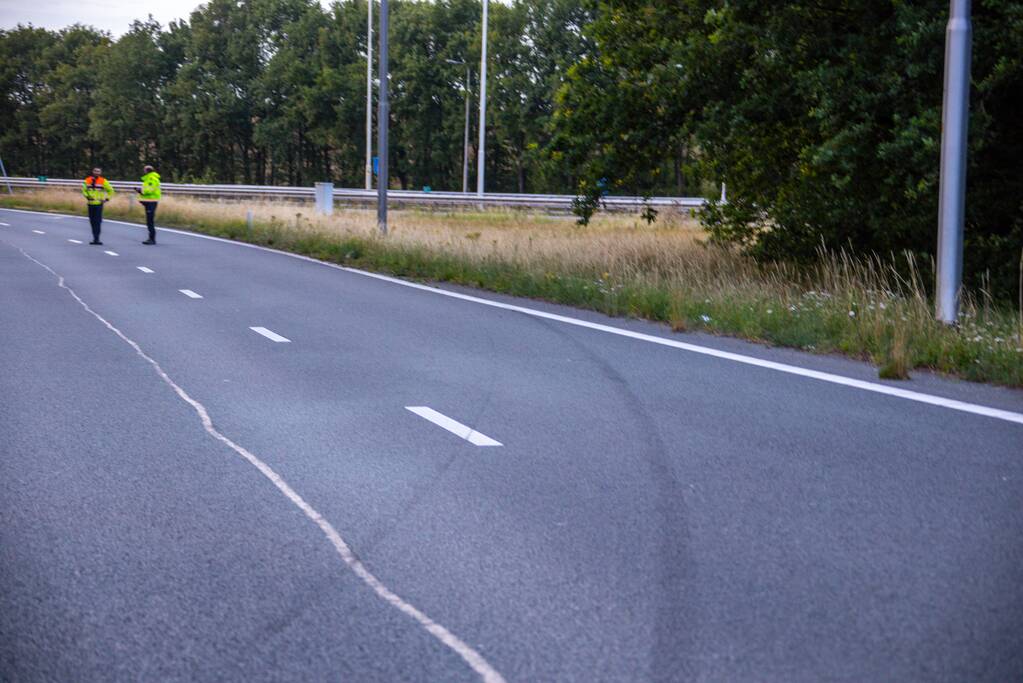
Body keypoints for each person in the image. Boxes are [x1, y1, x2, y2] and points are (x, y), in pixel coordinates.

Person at [81, 167, 114, 245]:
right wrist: (87, 196)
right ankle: (94, 238)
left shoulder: (103, 181)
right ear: (92, 171)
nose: (96, 172)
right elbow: (84, 190)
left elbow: (111, 191)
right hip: (90, 204)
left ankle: (97, 239)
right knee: (92, 222)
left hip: (99, 204)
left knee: (97, 222)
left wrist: (106, 199)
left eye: (98, 171)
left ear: (100, 173)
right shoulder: (87, 180)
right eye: (95, 171)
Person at [135, 164, 161, 244]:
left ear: (146, 170)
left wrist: (141, 191)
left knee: (150, 221)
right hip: (149, 202)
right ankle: (151, 238)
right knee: (149, 221)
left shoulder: (151, 178)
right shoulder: (149, 178)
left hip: (151, 202)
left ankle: (152, 239)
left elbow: (150, 190)